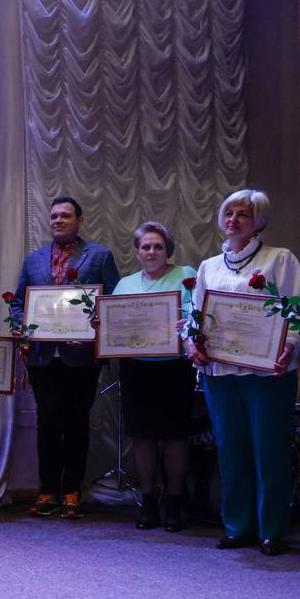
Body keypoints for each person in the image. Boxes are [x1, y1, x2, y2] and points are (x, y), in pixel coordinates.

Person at [186, 189, 300, 556]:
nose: (233, 220)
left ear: (259, 221)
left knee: (269, 450)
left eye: (243, 214)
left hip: (267, 374)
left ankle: (272, 528)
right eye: (229, 213)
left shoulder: (279, 259)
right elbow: (195, 317)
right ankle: (238, 526)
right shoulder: (208, 266)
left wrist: (292, 345)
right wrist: (190, 343)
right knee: (230, 450)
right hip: (221, 373)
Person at [10, 196, 120, 518]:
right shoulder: (33, 260)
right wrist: (21, 326)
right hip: (42, 357)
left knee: (76, 423)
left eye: (65, 216)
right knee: (47, 423)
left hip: (81, 356)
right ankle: (47, 490)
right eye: (54, 216)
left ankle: (72, 489)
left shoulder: (99, 255)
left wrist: (95, 328)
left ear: (79, 220)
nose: (58, 220)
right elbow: (18, 303)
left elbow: (112, 302)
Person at [111, 221, 198, 532]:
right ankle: (148, 501)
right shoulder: (125, 285)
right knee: (142, 436)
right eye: (145, 246)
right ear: (137, 251)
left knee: (175, 436)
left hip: (175, 368)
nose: (151, 251)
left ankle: (174, 502)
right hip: (136, 368)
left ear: (167, 250)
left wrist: (188, 322)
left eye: (158, 246)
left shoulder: (186, 275)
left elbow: (201, 314)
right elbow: (114, 324)